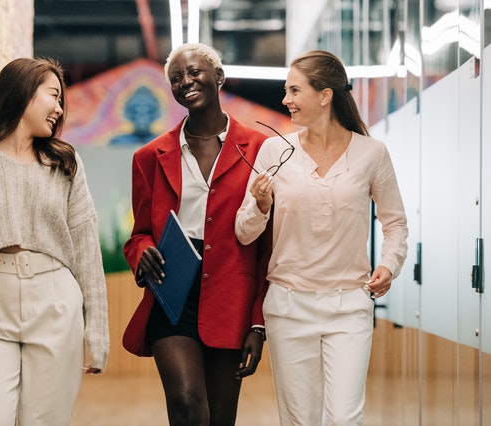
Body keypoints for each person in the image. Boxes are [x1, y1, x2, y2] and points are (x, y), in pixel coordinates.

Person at [235, 50, 408, 425]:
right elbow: (244, 233)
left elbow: (395, 223)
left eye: (294, 90)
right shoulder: (274, 151)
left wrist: (389, 265)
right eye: (286, 91)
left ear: (325, 95)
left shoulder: (371, 153)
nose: (286, 100)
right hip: (287, 307)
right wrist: (260, 205)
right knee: (300, 419)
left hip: (349, 307)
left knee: (345, 418)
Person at [0, 58, 109, 425]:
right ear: (24, 94)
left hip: (56, 300)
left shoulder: (65, 164)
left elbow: (87, 250)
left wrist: (97, 330)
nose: (60, 108)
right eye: (53, 96)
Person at [122, 43, 272, 426]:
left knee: (220, 418)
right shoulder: (149, 157)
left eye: (194, 72)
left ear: (219, 77)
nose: (185, 81)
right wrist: (142, 252)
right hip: (172, 292)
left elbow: (269, 246)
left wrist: (258, 322)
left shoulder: (260, 150)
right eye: (176, 78)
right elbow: (138, 234)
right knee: (187, 405)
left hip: (231, 296)